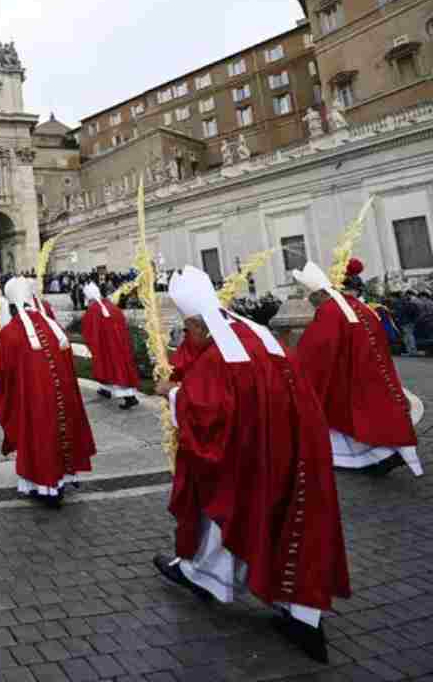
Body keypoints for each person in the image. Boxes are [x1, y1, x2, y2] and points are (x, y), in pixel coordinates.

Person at [153, 267, 350, 663]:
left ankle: (210, 579)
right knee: (289, 524)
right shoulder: (250, 331)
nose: (186, 337)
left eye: (186, 329)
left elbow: (210, 415)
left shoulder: (220, 354)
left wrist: (173, 395)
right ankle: (301, 616)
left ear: (196, 322)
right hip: (297, 445)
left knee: (229, 507)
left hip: (257, 453)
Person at [292, 262, 422, 477]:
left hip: (351, 375)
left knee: (358, 420)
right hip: (372, 371)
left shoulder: (330, 311)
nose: (311, 302)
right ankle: (379, 458)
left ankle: (380, 457)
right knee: (375, 418)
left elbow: (317, 347)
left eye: (313, 298)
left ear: (321, 294)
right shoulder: (359, 307)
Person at [0, 277, 96, 507]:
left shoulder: (10, 332)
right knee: (59, 434)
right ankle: (61, 481)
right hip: (62, 399)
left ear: (11, 306)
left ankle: (46, 488)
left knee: (39, 438)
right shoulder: (53, 327)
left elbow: (1, 370)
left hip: (33, 402)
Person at [81, 282, 140, 409]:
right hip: (119, 344)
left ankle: (130, 398)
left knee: (114, 370)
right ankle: (105, 389)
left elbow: (88, 329)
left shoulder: (93, 310)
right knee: (115, 368)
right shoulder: (111, 306)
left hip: (107, 347)